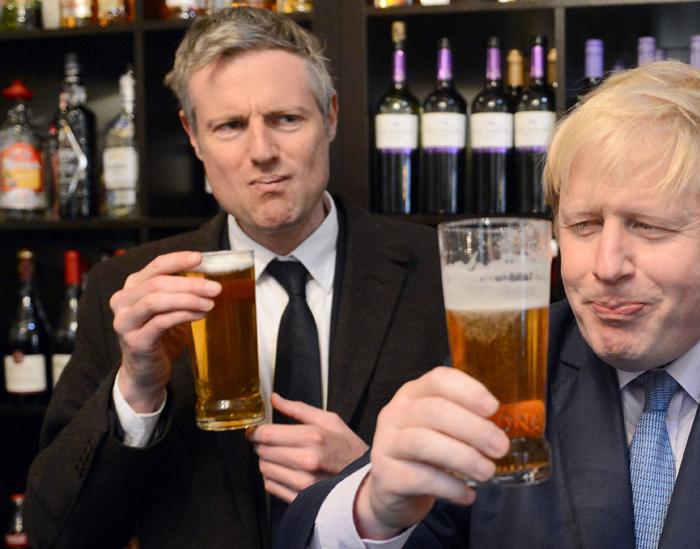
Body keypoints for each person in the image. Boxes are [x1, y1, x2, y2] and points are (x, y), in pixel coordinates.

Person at [276, 61, 700, 548]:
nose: (605, 267)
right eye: (583, 226)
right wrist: (375, 509)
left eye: (649, 227)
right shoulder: (508, 367)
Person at [23, 8, 447, 549]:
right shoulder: (126, 290)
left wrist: (368, 481)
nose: (262, 152)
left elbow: (515, 505)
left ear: (332, 116)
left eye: (286, 119)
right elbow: (58, 533)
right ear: (193, 137)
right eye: (229, 126)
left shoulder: (436, 272)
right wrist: (136, 387)